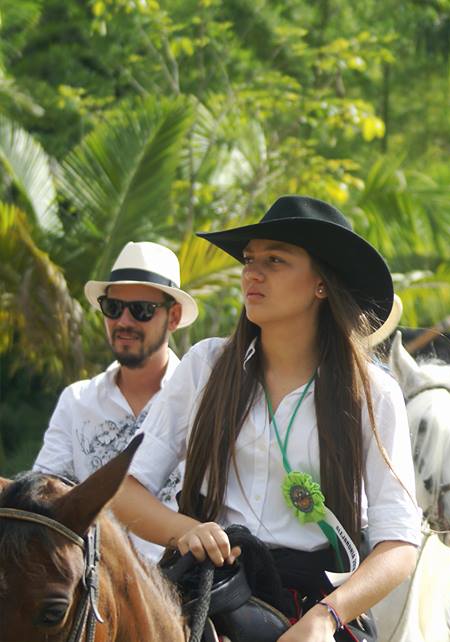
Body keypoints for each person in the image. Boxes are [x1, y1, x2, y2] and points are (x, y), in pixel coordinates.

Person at [112, 196, 421, 641]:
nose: (252, 273)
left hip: (316, 606)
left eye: (275, 260)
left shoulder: (373, 393)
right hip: (204, 594)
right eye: (250, 259)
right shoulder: (204, 366)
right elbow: (124, 490)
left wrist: (325, 619)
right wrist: (186, 530)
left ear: (321, 284)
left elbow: (399, 546)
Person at [33, 241, 197, 560]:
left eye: (141, 310)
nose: (123, 321)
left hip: (179, 588)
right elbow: (43, 495)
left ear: (173, 316)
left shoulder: (202, 399)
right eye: (113, 308)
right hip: (89, 590)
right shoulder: (77, 400)